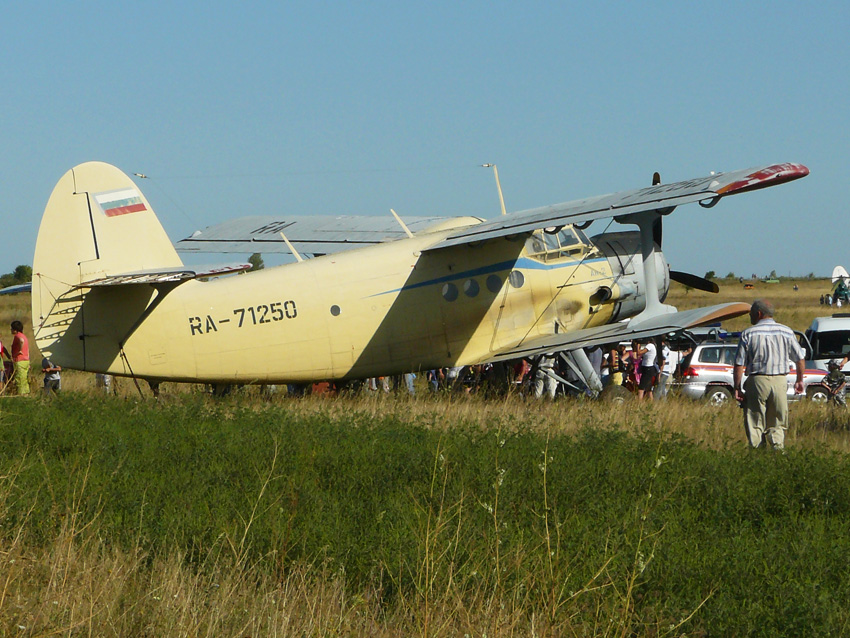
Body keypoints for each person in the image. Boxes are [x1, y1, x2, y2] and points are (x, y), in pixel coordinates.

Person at [733, 300, 804, 450]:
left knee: (755, 421)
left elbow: (739, 363)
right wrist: (799, 380)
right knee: (777, 421)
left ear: (758, 314)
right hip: (780, 380)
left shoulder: (748, 333)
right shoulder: (786, 331)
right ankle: (777, 451)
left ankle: (757, 452)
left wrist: (737, 387)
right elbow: (800, 358)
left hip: (757, 380)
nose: (750, 317)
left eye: (751, 314)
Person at [10, 321, 30, 396]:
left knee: (19, 378)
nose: (11, 330)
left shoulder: (18, 336)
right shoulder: (24, 336)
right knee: (24, 378)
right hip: (26, 360)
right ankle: (26, 393)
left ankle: (21, 394)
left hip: (19, 360)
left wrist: (19, 350)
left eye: (12, 329)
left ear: (15, 330)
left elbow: (21, 341)